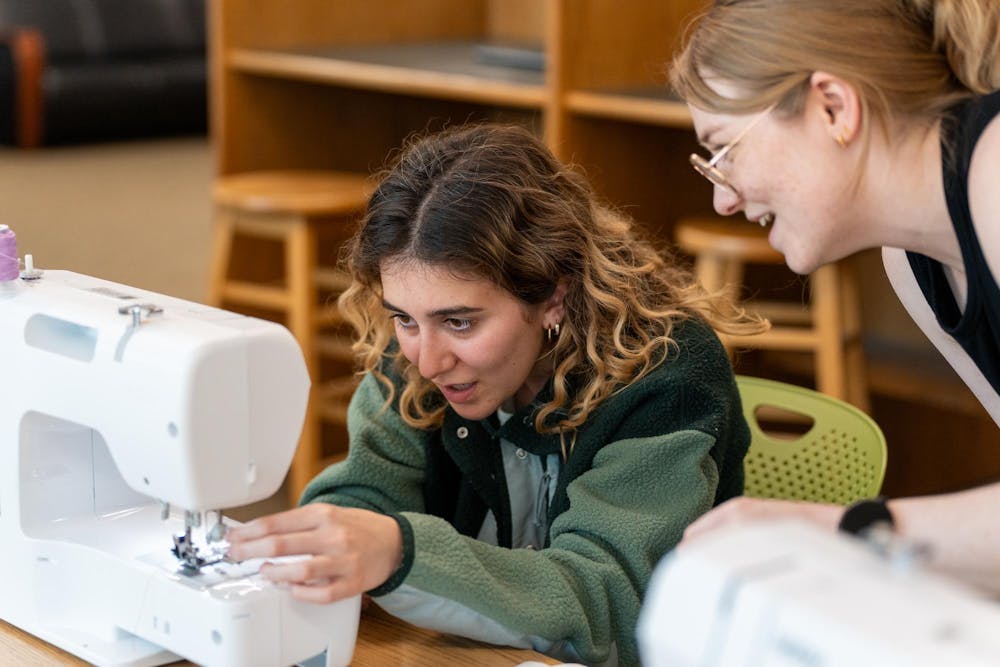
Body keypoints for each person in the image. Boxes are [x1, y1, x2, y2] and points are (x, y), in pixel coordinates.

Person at [226, 123, 763, 665]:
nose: (428, 361)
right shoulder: (412, 361)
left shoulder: (668, 380)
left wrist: (397, 553)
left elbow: (603, 605)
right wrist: (337, 539)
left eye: (460, 322)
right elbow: (368, 494)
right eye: (403, 319)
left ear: (554, 295)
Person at [669, 0, 1000, 589]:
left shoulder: (995, 170)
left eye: (724, 151)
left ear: (833, 106)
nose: (724, 200)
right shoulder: (913, 266)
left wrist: (842, 528)